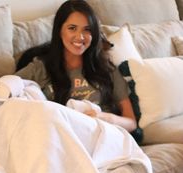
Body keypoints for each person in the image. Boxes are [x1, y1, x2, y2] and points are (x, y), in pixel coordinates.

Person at [16, 0, 137, 133]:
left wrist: (104, 118)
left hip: (103, 135)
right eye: (72, 28)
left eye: (87, 30)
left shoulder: (106, 69)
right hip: (64, 139)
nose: (80, 37)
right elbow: (3, 89)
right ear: (59, 30)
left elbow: (131, 123)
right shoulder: (40, 68)